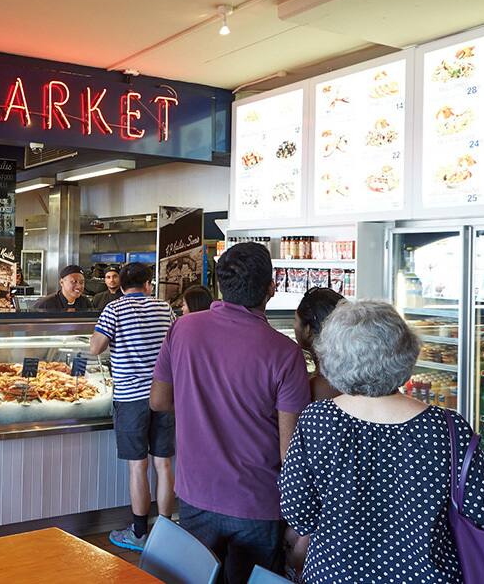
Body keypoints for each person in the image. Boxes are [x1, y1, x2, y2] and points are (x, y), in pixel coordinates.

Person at [280, 300, 484, 583]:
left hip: (334, 574)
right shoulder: (448, 428)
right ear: (407, 352)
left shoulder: (318, 420)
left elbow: (299, 513)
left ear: (332, 356)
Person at [150, 242, 310, 582]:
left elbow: (159, 400)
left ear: (220, 284)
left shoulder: (183, 328)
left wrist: (197, 404)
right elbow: (290, 451)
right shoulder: (286, 353)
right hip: (257, 502)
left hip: (196, 492)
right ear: (271, 287)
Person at [91, 263, 175, 551]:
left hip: (130, 398)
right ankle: (165, 534)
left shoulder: (114, 309)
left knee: (138, 466)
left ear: (122, 285)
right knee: (164, 464)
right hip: (164, 395)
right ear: (148, 284)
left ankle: (139, 533)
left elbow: (95, 348)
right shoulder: (165, 308)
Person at [283, 287, 345, 578]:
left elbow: (294, 458)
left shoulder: (313, 388)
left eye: (296, 322)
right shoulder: (359, 380)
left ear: (308, 330)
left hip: (316, 508)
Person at [294, 287, 344, 402]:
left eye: (295, 319)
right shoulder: (355, 376)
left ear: (308, 330)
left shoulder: (314, 388)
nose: (294, 326)